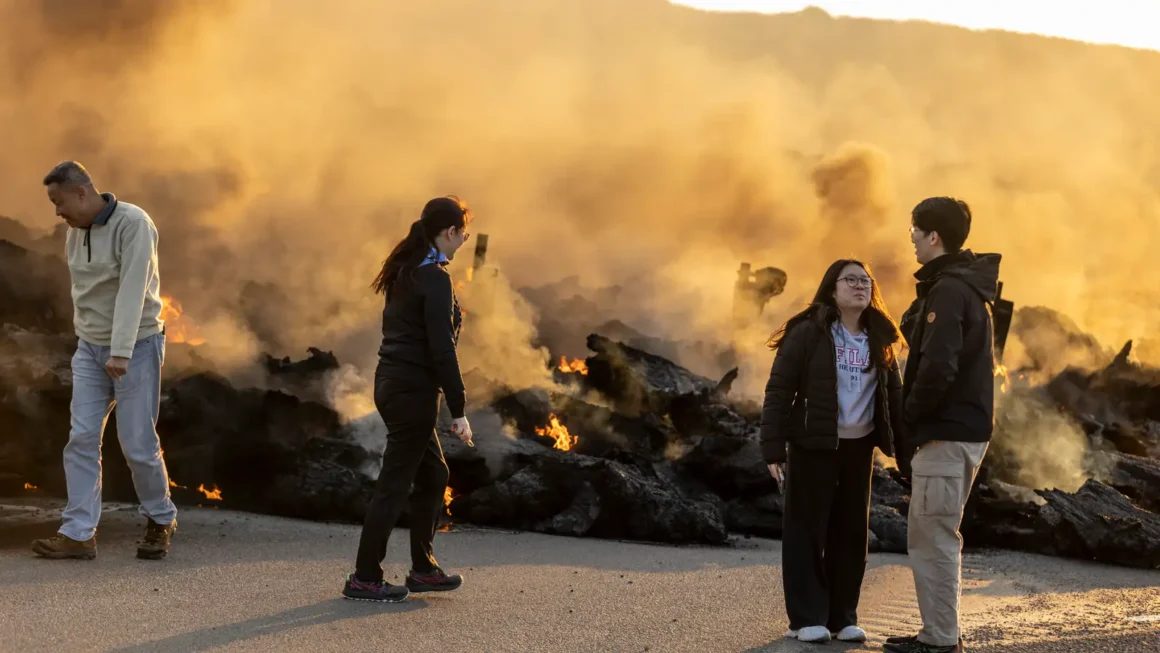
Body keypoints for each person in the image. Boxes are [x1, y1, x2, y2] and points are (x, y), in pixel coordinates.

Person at [31, 161, 178, 561]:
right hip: (90, 349)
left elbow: (133, 289)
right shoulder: (74, 232)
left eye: (58, 201)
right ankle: (78, 534)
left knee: (137, 444)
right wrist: (88, 341)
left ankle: (160, 519)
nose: (56, 211)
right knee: (80, 438)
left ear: (81, 192)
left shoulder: (134, 224)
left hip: (137, 348)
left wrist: (121, 351)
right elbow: (83, 290)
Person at [760, 259, 904, 644]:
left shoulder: (881, 337)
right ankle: (805, 618)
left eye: (865, 281)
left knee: (851, 533)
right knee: (807, 530)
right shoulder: (808, 332)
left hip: (859, 449)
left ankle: (843, 617)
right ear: (832, 287)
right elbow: (779, 391)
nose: (860, 286)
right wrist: (773, 450)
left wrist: (904, 452)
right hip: (813, 445)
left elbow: (894, 398)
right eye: (851, 280)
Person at [342, 195, 475, 602]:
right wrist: (460, 409)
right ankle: (365, 577)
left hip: (394, 385)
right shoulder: (433, 277)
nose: (464, 241)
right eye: (463, 234)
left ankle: (424, 569)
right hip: (412, 391)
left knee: (434, 474)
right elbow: (442, 349)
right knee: (395, 485)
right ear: (449, 231)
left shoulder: (406, 270)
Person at [884, 197, 1000, 653]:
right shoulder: (958, 287)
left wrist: (910, 418)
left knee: (932, 536)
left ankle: (938, 640)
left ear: (934, 236)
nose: (910, 236)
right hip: (960, 431)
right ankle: (940, 634)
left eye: (914, 229)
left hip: (946, 433)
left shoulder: (950, 290)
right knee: (935, 533)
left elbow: (937, 366)